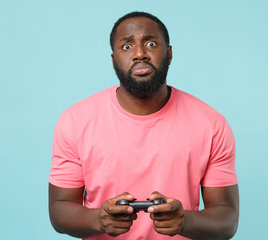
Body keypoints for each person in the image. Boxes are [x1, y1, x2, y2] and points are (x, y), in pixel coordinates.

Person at [49, 11, 239, 240]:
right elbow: (59, 208)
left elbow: (227, 219)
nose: (140, 54)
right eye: (127, 46)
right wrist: (99, 219)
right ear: (113, 59)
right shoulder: (75, 121)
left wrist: (185, 221)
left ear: (169, 54)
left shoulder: (211, 124)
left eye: (150, 43)